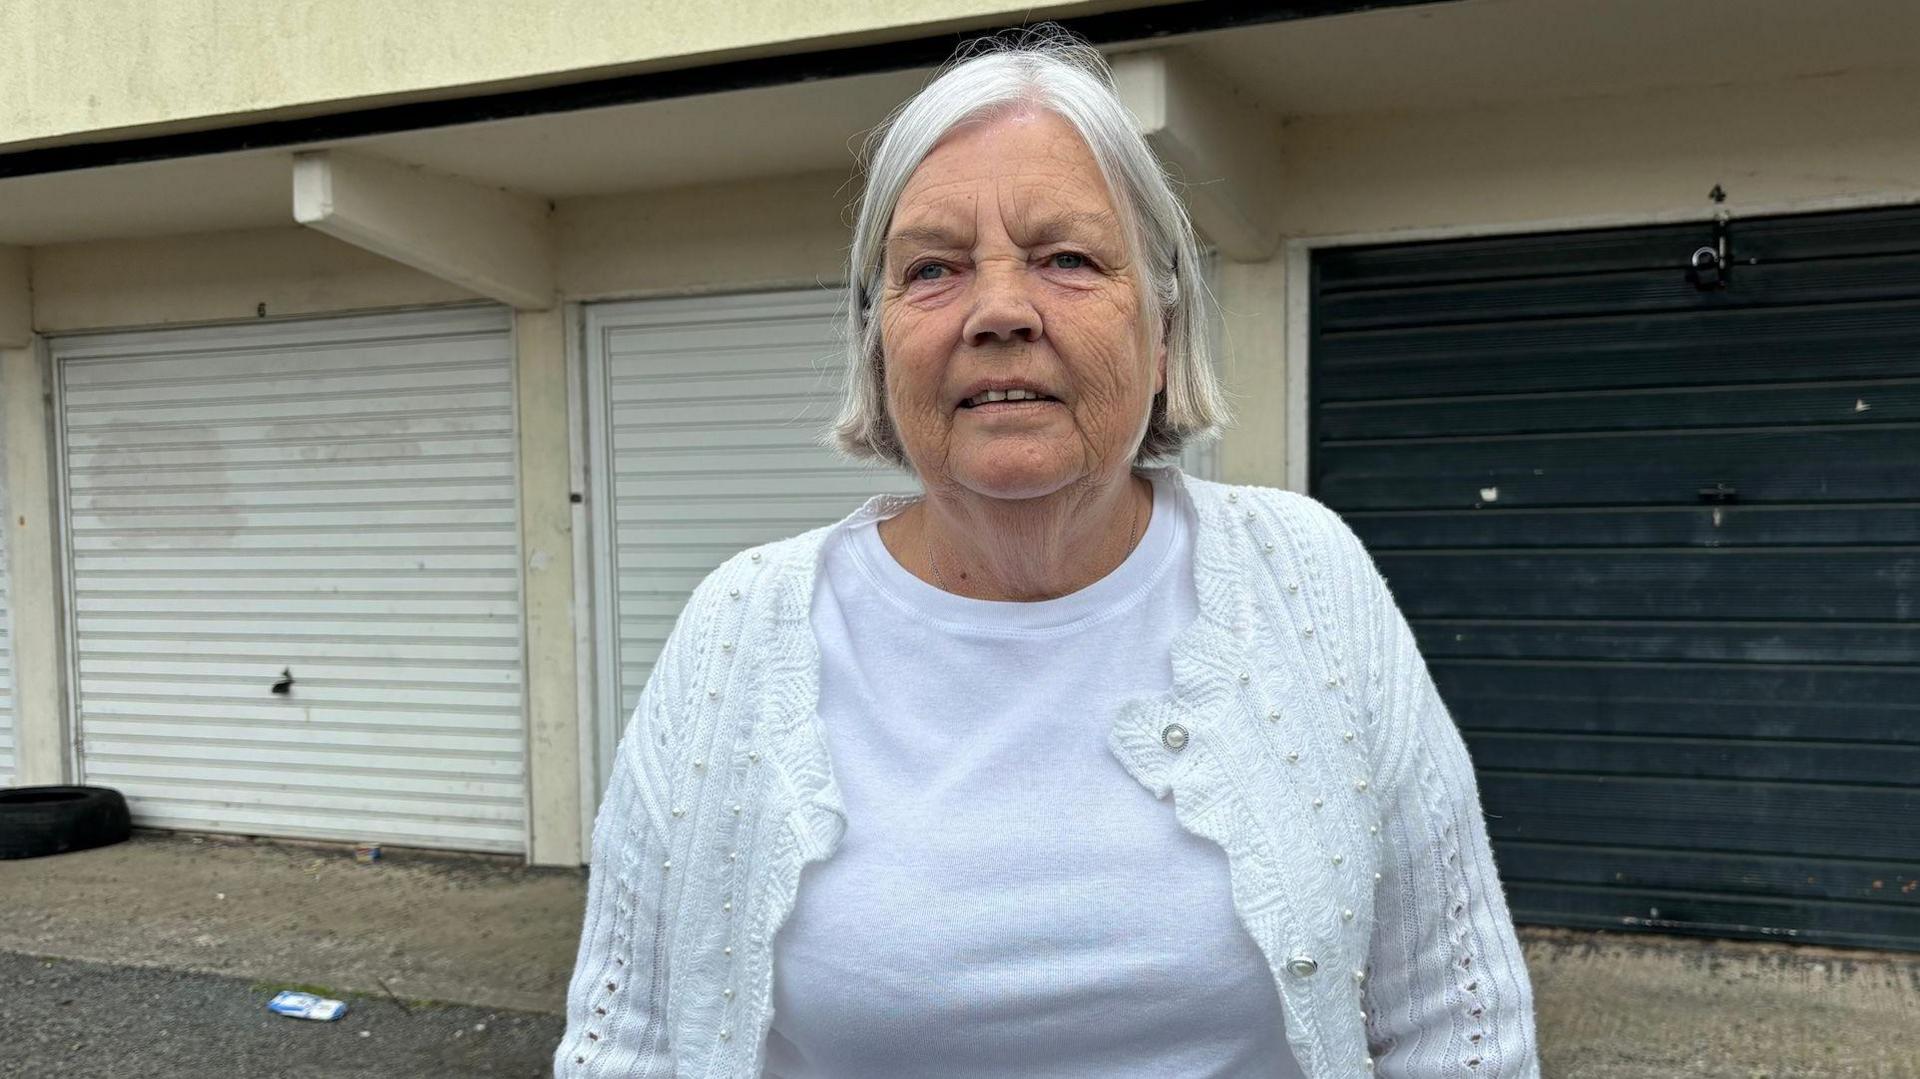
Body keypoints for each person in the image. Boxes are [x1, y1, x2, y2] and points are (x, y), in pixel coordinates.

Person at [556, 25, 1540, 1079]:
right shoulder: (739, 627)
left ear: (1161, 330)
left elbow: (1456, 1015)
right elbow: (629, 1040)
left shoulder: (1306, 578)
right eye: (931, 268)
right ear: (878, 341)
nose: (999, 311)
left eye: (1066, 257)